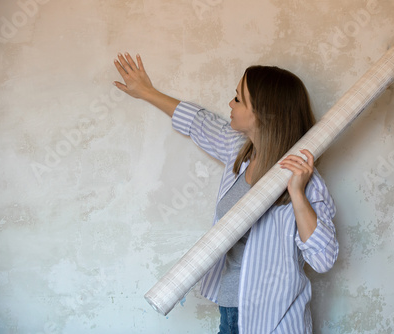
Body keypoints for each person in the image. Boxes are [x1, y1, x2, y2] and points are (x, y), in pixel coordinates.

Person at [114, 52, 338, 334]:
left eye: (238, 99)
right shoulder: (238, 152)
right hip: (231, 313)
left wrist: (297, 194)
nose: (230, 104)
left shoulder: (304, 179)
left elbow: (323, 259)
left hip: (277, 322)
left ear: (262, 112)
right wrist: (146, 91)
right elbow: (199, 122)